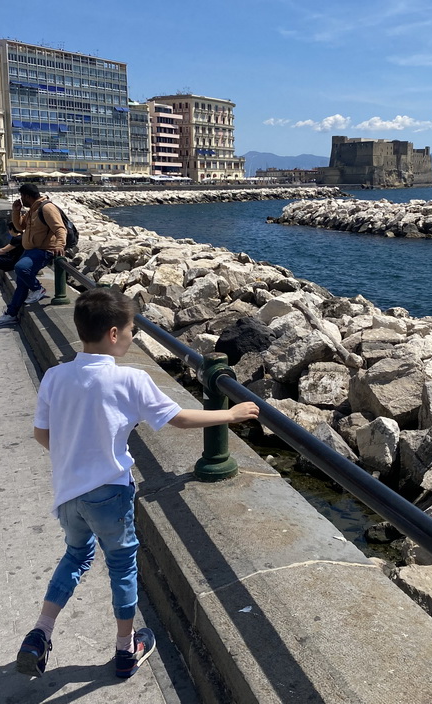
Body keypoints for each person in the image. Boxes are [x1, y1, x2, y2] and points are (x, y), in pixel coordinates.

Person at [14, 287, 259, 679]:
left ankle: (40, 632)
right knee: (123, 567)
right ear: (114, 333)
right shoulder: (130, 379)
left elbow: (42, 436)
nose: (132, 337)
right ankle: (126, 649)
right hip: (110, 493)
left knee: (76, 556)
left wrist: (76, 458)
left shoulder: (56, 377)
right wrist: (229, 415)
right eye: (131, 330)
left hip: (67, 496)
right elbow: (178, 418)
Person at [0, 183, 65, 326]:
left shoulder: (47, 208)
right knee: (21, 284)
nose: (21, 199)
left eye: (21, 196)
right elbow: (20, 227)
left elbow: (60, 228)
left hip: (43, 251)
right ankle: (11, 314)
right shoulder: (33, 209)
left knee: (20, 268)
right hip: (30, 251)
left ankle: (38, 288)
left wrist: (59, 245)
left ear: (26, 196)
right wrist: (16, 211)